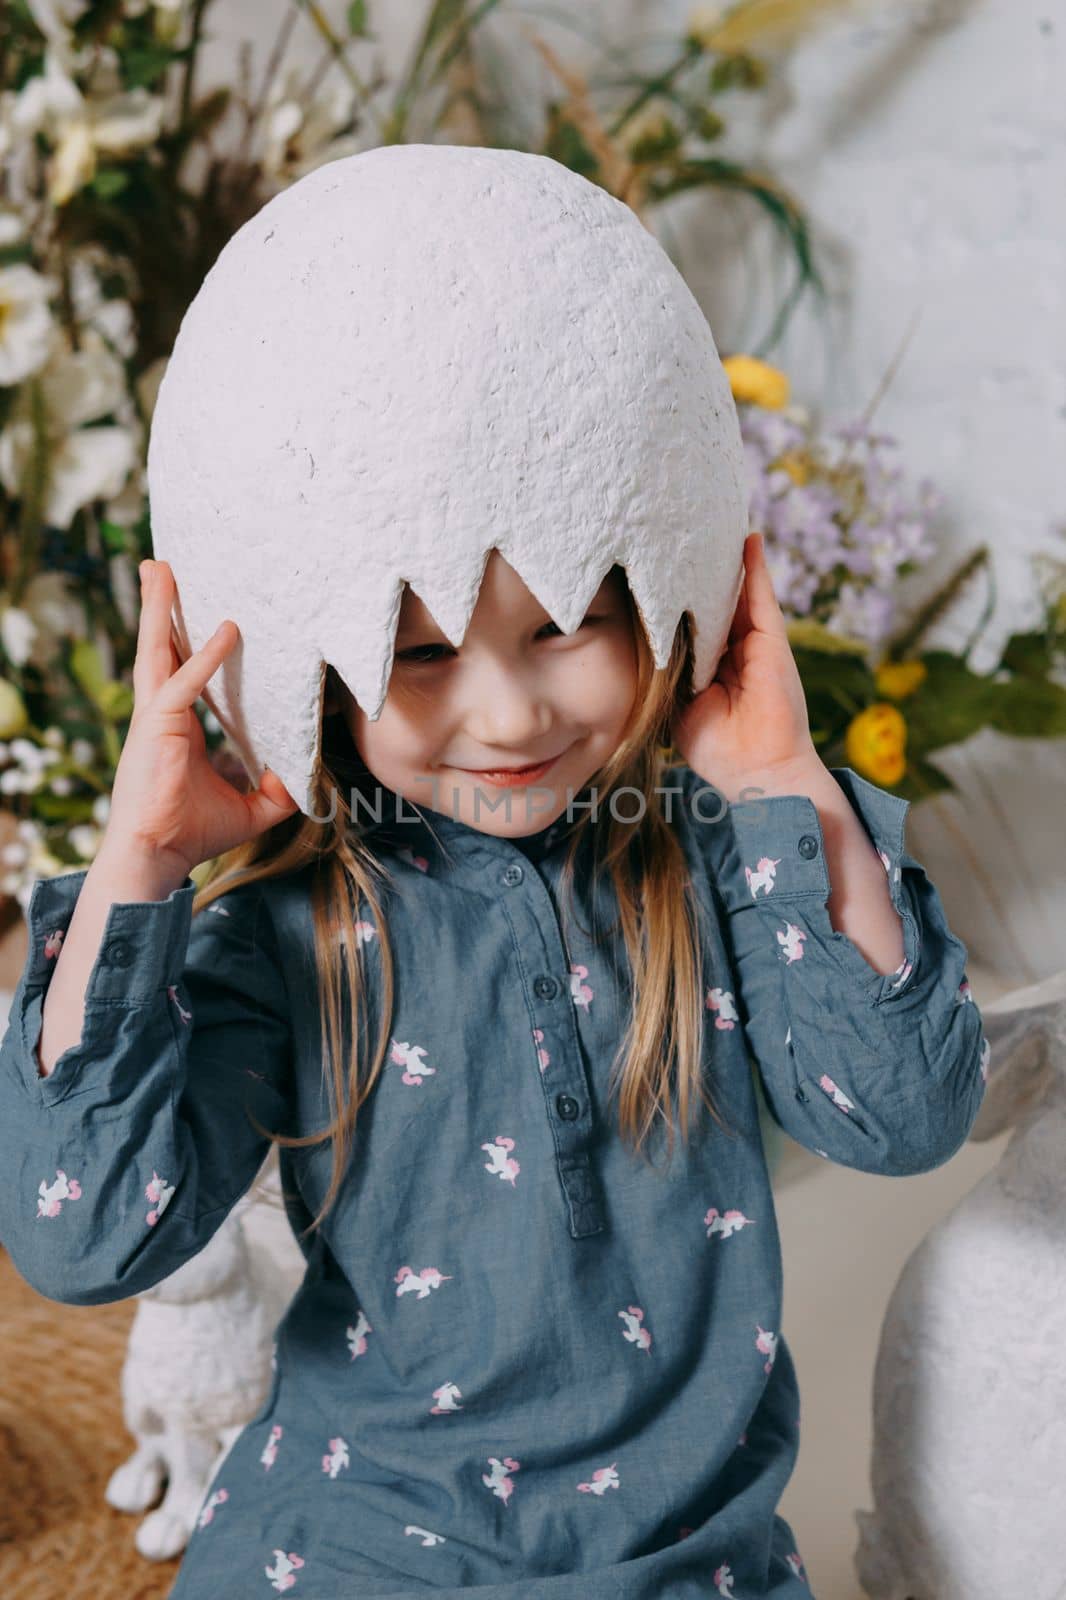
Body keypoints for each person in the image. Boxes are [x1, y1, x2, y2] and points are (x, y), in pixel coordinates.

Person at [0, 529, 988, 1600]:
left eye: (563, 625)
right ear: (328, 677)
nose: (512, 714)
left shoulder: (719, 851)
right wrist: (138, 856)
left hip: (680, 1552)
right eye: (421, 656)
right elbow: (81, 1238)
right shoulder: (287, 923)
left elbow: (903, 1116)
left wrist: (779, 775)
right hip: (345, 1540)